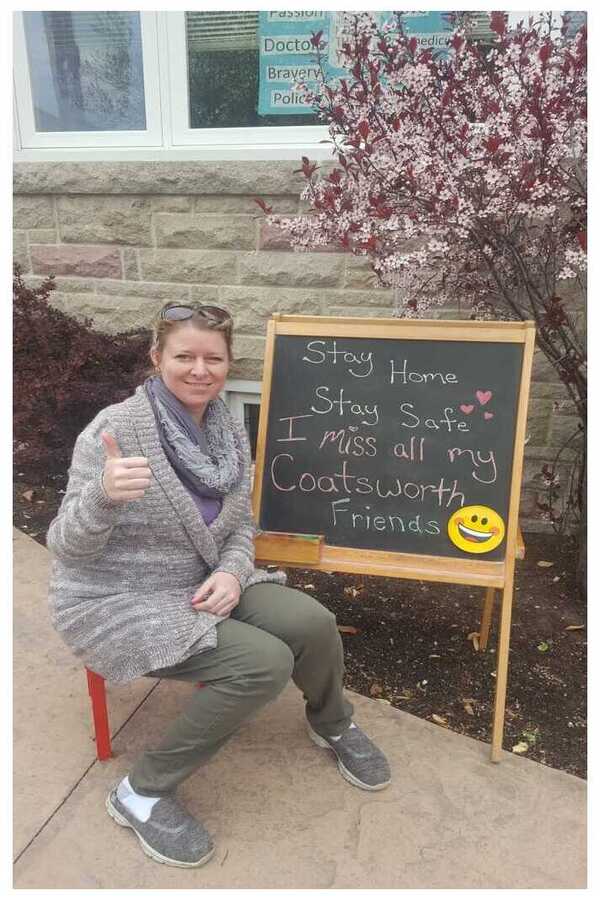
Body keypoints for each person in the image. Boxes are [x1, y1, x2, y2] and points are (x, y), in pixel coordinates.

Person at [46, 301, 391, 869]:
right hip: (115, 598)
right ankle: (141, 792)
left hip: (205, 578)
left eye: (214, 358)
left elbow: (238, 526)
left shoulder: (228, 430)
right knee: (262, 663)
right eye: (184, 356)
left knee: (314, 623)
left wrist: (233, 572)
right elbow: (67, 547)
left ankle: (332, 723)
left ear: (229, 364)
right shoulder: (114, 430)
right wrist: (102, 497)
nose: (199, 370)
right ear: (157, 357)